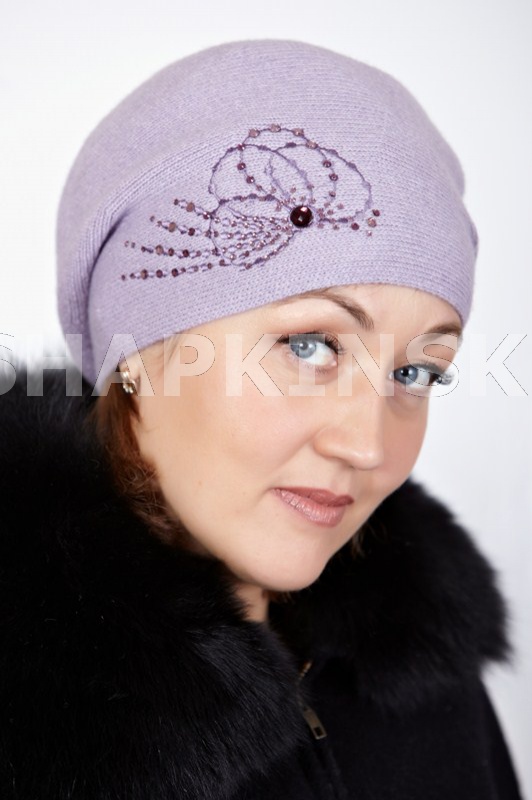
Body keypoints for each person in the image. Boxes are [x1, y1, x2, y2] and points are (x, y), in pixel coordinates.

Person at [0, 39, 524, 800]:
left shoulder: (419, 670)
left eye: (416, 372)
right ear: (135, 352)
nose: (366, 445)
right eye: (309, 344)